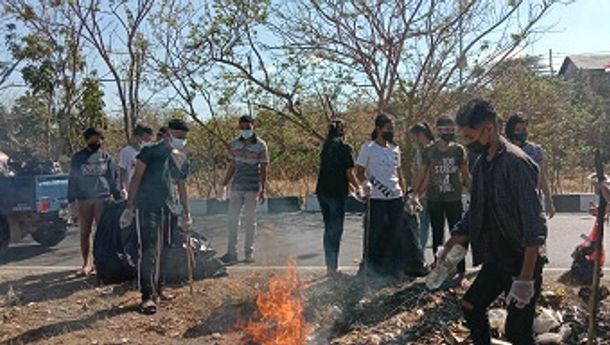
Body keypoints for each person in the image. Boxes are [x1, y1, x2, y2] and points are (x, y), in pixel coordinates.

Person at [441, 99, 547, 345]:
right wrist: (448, 248)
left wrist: (525, 280)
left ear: (488, 129)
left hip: (522, 260)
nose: (467, 143)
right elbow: (474, 214)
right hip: (497, 258)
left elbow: (534, 226)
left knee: (518, 334)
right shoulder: (481, 165)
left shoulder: (516, 163)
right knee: (471, 305)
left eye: (469, 136)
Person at [120, 119, 192, 315]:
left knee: (166, 250)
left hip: (169, 209)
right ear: (168, 133)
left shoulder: (180, 157)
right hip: (147, 207)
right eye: (178, 137)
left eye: (184, 138)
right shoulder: (149, 152)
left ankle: (160, 289)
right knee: (149, 252)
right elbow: (136, 179)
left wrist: (186, 212)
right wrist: (129, 207)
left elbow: (182, 186)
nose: (181, 141)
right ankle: (147, 296)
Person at [415, 116, 471, 281]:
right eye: (446, 130)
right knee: (437, 235)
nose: (449, 132)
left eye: (452, 129)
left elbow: (466, 175)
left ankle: (460, 270)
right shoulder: (430, 150)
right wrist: (414, 194)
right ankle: (439, 268)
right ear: (438, 130)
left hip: (454, 198)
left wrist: (475, 191)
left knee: (458, 235)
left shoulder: (458, 150)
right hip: (435, 199)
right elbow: (422, 173)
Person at [355, 114, 406, 278]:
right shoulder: (368, 148)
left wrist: (405, 194)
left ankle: (394, 267)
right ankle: (370, 267)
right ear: (378, 129)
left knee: (396, 232)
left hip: (395, 196)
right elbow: (359, 171)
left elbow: (399, 173)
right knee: (374, 232)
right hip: (377, 197)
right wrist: (365, 184)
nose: (391, 132)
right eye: (388, 128)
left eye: (393, 129)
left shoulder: (395, 149)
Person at [68, 127, 121, 277]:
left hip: (102, 198)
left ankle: (100, 263)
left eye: (99, 138)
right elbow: (72, 180)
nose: (97, 141)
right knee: (85, 231)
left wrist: (118, 199)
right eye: (93, 138)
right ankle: (86, 264)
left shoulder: (106, 157)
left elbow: (113, 179)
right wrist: (71, 201)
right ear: (87, 139)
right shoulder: (78, 158)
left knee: (101, 233)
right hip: (84, 199)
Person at [220, 115, 269, 265]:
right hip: (237, 186)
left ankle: (249, 252)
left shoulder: (261, 145)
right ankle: (231, 252)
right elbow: (233, 165)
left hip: (252, 187)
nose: (245, 130)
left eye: (247, 128)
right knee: (232, 219)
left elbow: (264, 168)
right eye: (242, 128)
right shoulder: (234, 144)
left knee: (250, 221)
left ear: (253, 126)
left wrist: (263, 188)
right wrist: (224, 184)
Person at [315, 118, 359, 278]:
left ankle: (330, 267)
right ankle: (333, 269)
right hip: (336, 193)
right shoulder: (345, 147)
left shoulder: (326, 147)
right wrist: (359, 188)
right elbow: (349, 173)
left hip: (322, 192)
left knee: (328, 230)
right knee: (336, 230)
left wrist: (354, 188)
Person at [505, 114, 556, 219]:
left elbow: (542, 176)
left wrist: (548, 199)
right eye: (518, 129)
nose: (522, 132)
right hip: (510, 203)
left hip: (531, 202)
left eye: (524, 129)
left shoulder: (534, 150)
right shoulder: (505, 150)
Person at [409, 122, 434, 251]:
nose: (413, 140)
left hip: (428, 192)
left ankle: (421, 252)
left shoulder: (430, 149)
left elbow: (428, 175)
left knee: (425, 223)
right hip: (420, 190)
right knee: (421, 223)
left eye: (414, 136)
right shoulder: (419, 150)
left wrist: (418, 192)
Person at [118, 125, 153, 198]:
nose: (147, 142)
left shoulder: (151, 152)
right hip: (132, 191)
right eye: (145, 139)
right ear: (138, 137)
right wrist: (122, 188)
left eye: (149, 140)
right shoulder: (126, 151)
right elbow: (123, 171)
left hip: (148, 191)